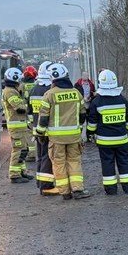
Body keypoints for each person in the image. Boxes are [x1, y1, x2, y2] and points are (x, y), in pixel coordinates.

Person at [36, 62, 90, 200]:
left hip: (56, 139)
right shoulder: (76, 93)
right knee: (74, 162)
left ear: (52, 79)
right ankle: (78, 190)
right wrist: (78, 127)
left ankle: (65, 192)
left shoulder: (49, 94)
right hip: (73, 137)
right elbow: (83, 114)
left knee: (59, 164)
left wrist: (40, 134)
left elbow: (43, 119)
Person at [86, 69, 128, 195]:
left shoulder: (96, 102)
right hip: (122, 138)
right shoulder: (123, 100)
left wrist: (90, 134)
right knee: (124, 161)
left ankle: (111, 189)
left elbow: (92, 123)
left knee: (107, 163)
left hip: (104, 140)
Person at [1, 67, 34, 183]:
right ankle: (14, 175)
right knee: (18, 150)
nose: (20, 82)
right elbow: (19, 108)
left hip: (21, 126)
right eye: (19, 80)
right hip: (16, 127)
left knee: (23, 149)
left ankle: (21, 172)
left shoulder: (13, 90)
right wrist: (28, 106)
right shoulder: (9, 91)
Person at [29, 62, 56, 192]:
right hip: (46, 129)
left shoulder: (33, 89)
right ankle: (46, 186)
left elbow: (30, 112)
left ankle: (40, 183)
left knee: (39, 156)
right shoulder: (49, 91)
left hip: (36, 128)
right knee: (47, 157)